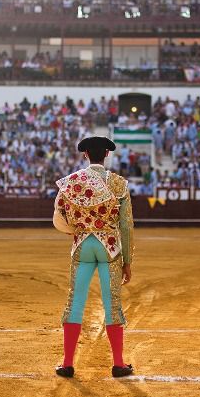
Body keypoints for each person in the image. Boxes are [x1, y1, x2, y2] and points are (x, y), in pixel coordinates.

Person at [52, 136, 135, 378]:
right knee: (112, 304)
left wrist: (74, 231)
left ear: (85, 154)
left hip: (82, 246)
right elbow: (127, 226)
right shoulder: (119, 184)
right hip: (109, 246)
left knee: (75, 303)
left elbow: (58, 216)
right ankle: (118, 364)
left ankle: (67, 364)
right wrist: (128, 261)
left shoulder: (71, 182)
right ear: (107, 155)